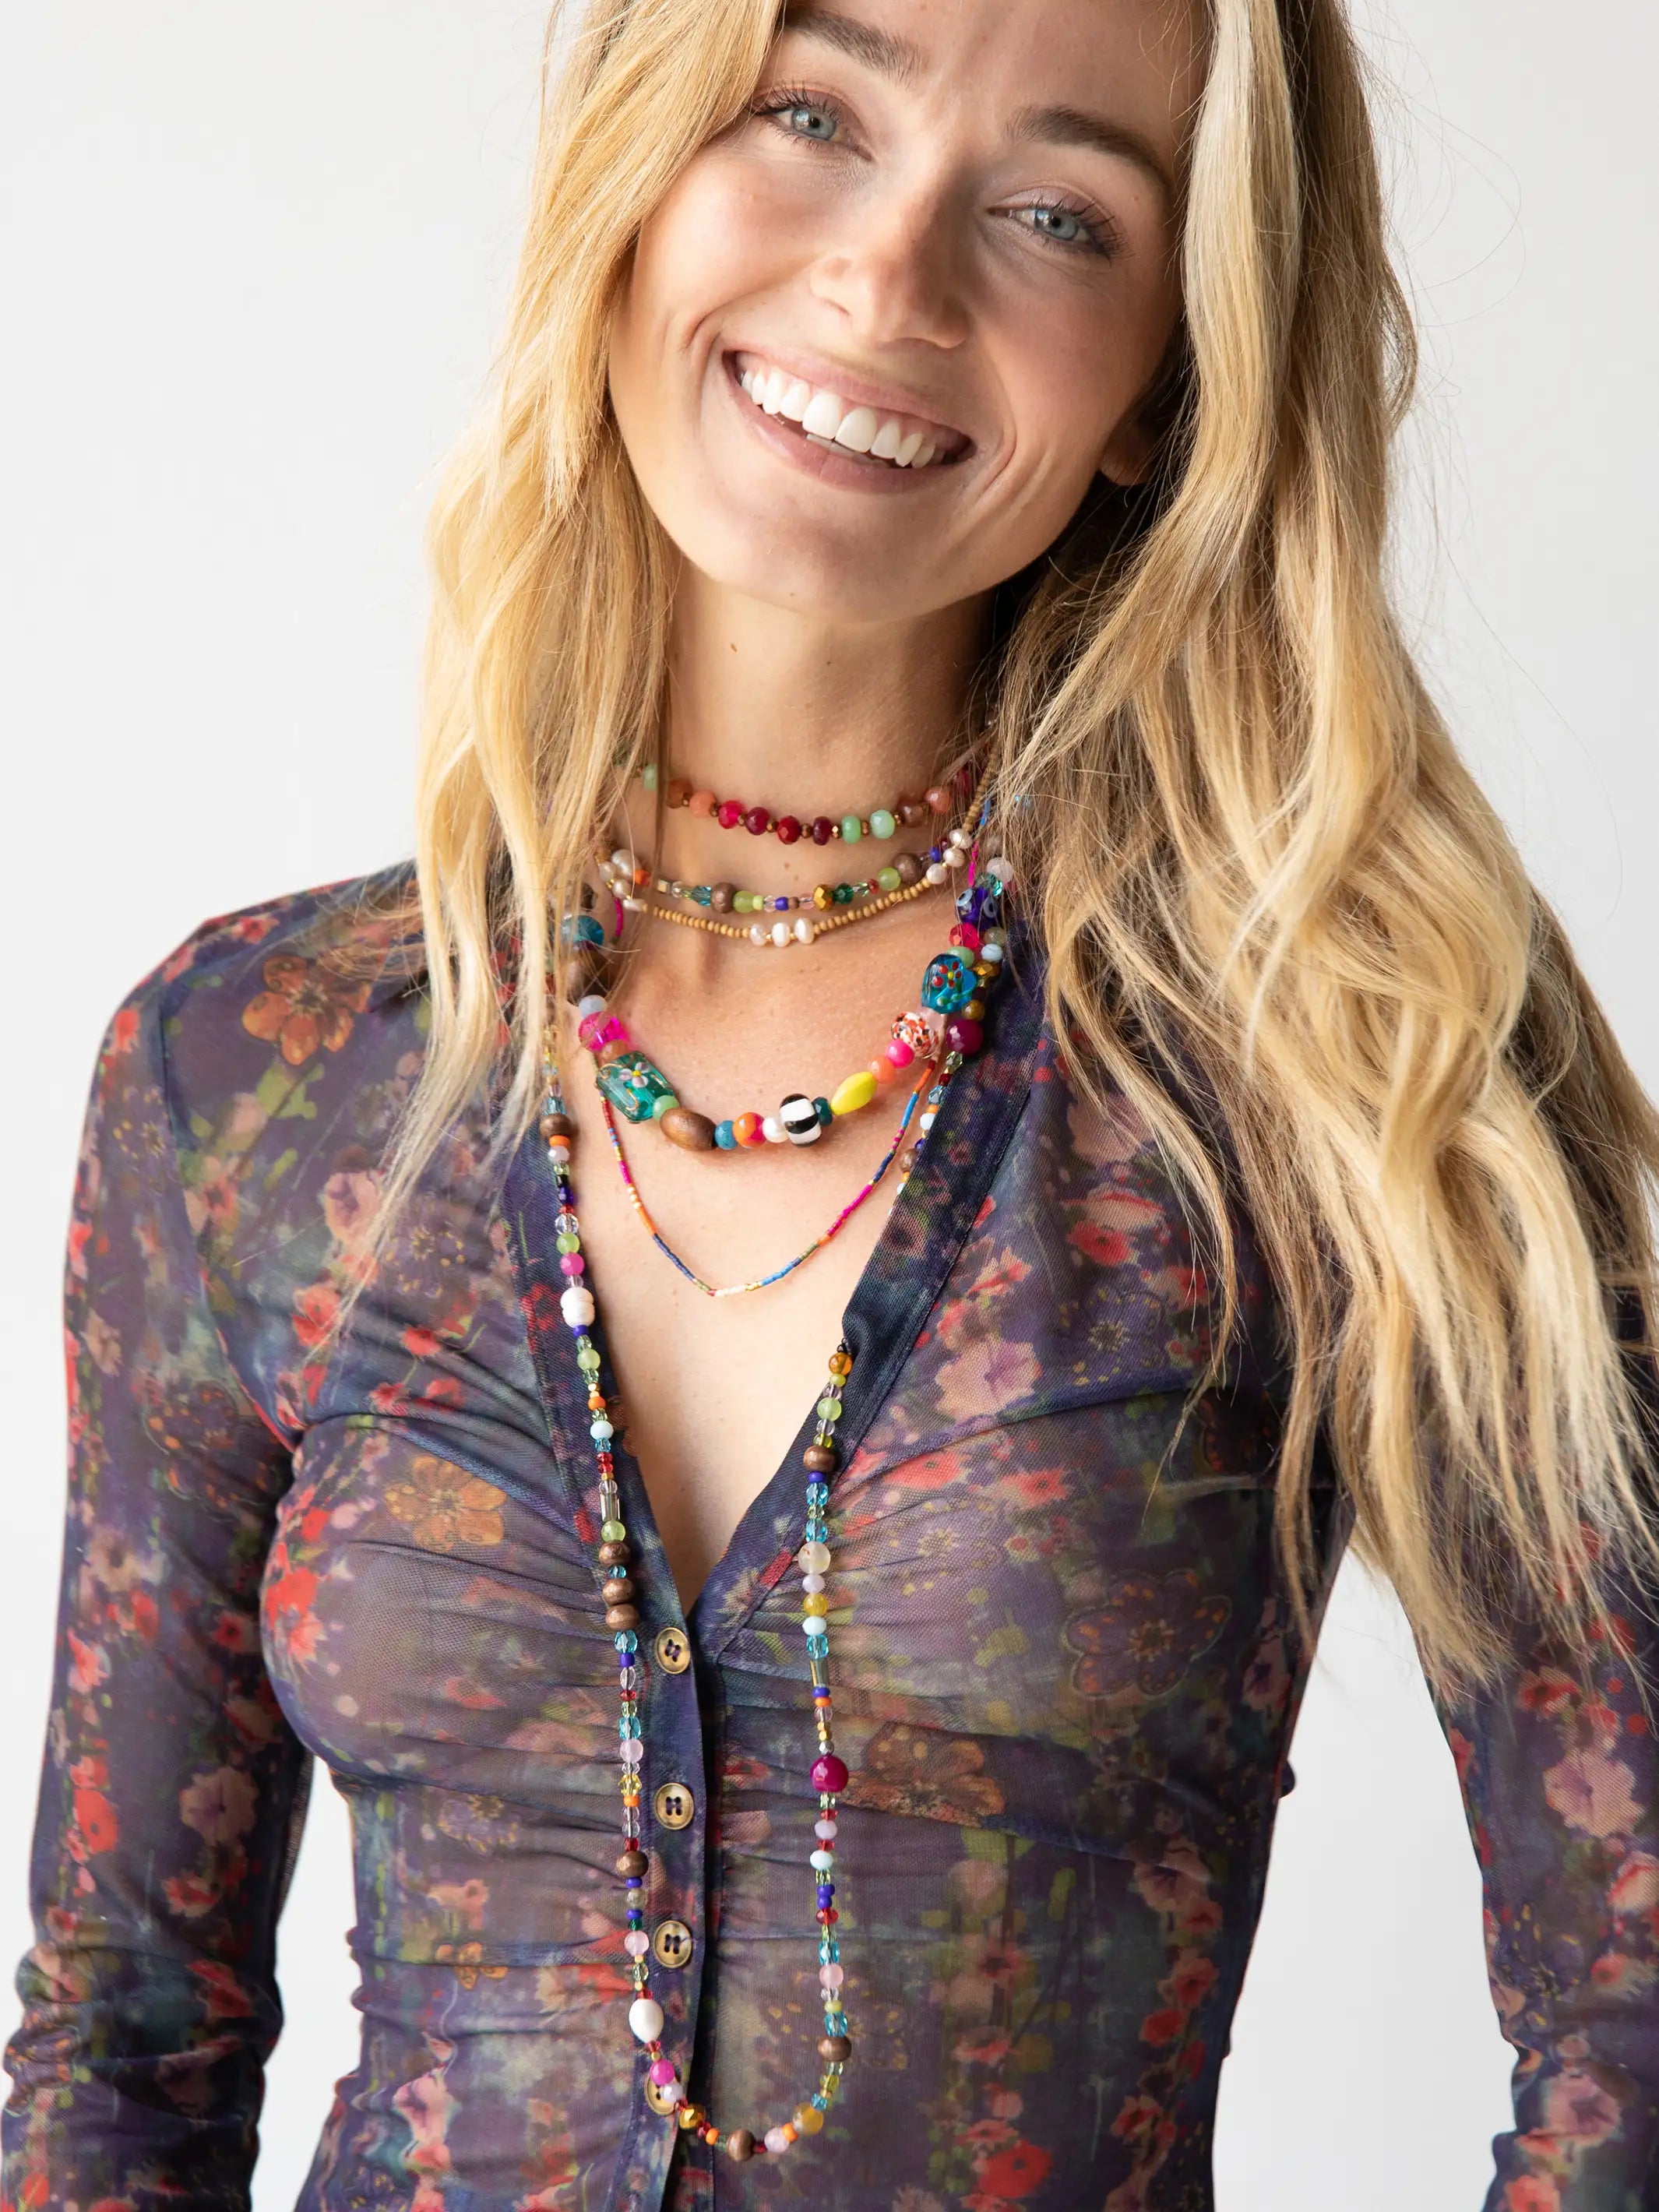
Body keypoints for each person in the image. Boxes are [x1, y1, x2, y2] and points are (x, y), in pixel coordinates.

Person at [5, 0, 1658, 2203]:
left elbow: (1635, 2022)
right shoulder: (251, 1072)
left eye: (1059, 213)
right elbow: (118, 2045)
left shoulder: (1364, 1052)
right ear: (636, 168)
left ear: (1168, 382)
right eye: (809, 112)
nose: (888, 276)